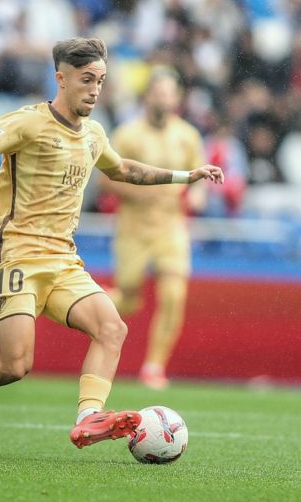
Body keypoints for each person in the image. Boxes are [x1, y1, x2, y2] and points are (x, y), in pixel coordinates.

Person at [0, 38, 222, 448]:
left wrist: (186, 176)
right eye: (86, 80)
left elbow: (122, 169)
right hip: (17, 256)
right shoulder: (29, 121)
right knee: (13, 366)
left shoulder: (94, 134)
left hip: (62, 260)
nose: (95, 90)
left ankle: (89, 417)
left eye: (101, 81)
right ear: (61, 78)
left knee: (112, 328)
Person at [98, 70, 207, 390]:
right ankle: (87, 303)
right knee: (129, 299)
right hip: (134, 226)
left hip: (171, 226)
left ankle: (154, 367)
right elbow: (106, 180)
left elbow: (198, 177)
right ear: (147, 97)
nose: (164, 99)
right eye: (158, 93)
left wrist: (198, 195)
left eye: (169, 94)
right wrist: (143, 194)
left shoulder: (187, 136)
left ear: (177, 99)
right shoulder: (128, 134)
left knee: (173, 294)